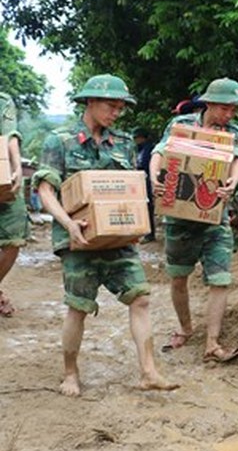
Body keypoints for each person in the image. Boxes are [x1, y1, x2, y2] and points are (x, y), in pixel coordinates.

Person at [33, 74, 179, 397]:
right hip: (78, 240)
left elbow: (128, 190)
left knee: (140, 297)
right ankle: (70, 374)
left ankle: (149, 371)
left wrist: (136, 225)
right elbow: (45, 189)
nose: (116, 113)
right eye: (110, 106)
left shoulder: (124, 142)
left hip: (118, 240)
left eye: (120, 108)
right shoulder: (60, 140)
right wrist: (68, 223)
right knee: (79, 306)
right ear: (89, 102)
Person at [150, 78, 238, 363]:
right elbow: (160, 152)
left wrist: (233, 182)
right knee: (178, 277)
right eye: (224, 109)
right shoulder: (182, 125)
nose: (229, 115)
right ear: (208, 104)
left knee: (220, 280)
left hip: (216, 218)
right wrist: (155, 177)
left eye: (233, 110)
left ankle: (212, 342)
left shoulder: (234, 132)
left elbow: (237, 159)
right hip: (179, 219)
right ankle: (185, 327)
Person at [0, 92, 26, 317]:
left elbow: (10, 135)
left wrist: (17, 167)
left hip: (3, 175)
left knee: (14, 237)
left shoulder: (3, 101)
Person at [133, 127, 156, 243]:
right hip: (139, 180)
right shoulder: (138, 149)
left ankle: (150, 234)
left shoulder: (150, 149)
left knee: (148, 207)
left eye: (138, 138)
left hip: (147, 180)